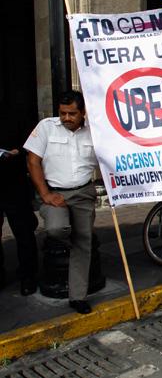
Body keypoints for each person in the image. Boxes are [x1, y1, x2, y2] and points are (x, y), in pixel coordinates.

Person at [24, 91, 98, 314]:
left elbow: (107, 159)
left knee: (83, 244)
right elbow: (32, 161)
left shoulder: (95, 131)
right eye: (63, 113)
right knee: (57, 229)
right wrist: (45, 194)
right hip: (55, 195)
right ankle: (68, 241)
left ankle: (77, 297)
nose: (66, 117)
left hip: (83, 192)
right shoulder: (46, 127)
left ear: (83, 112)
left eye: (72, 113)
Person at [0, 144, 38, 295]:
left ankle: (28, 276)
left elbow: (30, 142)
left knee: (24, 232)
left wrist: (18, 151)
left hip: (14, 183)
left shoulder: (15, 119)